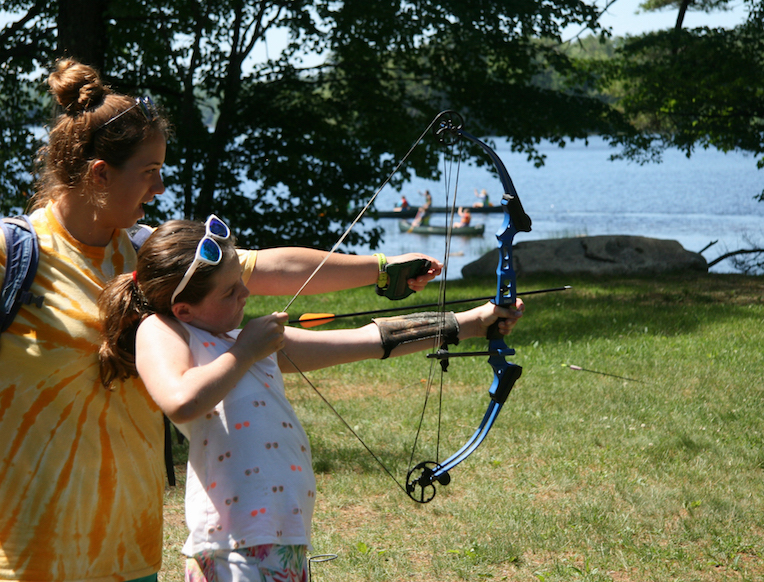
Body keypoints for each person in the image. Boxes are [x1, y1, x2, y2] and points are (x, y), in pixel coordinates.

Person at [0, 58, 441, 582]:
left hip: (129, 556)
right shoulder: (13, 254)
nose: (159, 188)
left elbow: (266, 266)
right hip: (25, 558)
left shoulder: (150, 259)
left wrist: (381, 268)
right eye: (148, 172)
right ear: (99, 174)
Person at [97, 217, 524, 582]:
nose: (245, 295)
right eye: (229, 293)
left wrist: (472, 322)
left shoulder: (243, 341)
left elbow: (366, 341)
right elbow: (180, 400)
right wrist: (245, 350)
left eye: (241, 284)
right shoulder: (166, 331)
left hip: (284, 535)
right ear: (184, 308)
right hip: (230, 546)